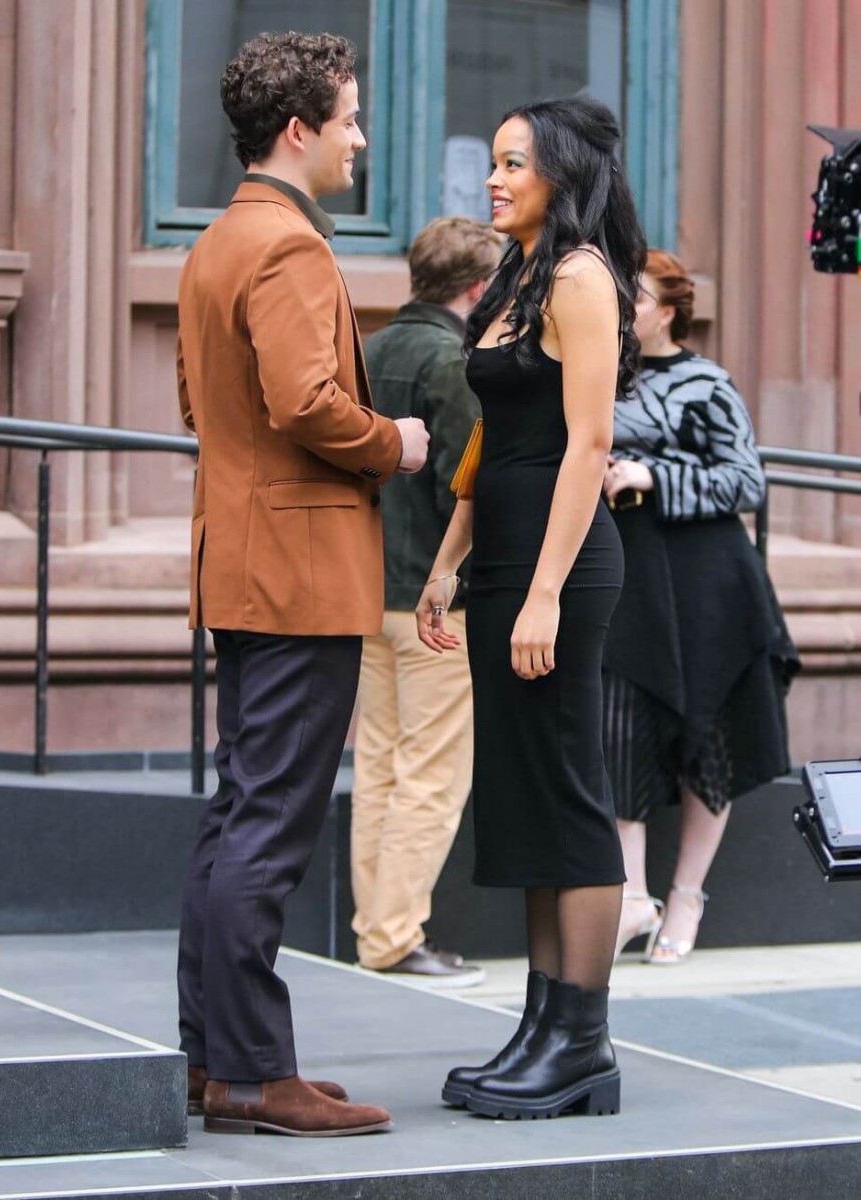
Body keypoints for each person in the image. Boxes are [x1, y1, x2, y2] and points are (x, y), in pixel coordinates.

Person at [175, 31, 429, 1138]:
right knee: (269, 822)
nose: (361, 138)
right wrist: (398, 443)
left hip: (246, 562)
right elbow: (304, 403)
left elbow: (206, 409)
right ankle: (244, 1072)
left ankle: (227, 1062)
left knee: (241, 815)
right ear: (300, 128)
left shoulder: (217, 242)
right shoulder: (286, 248)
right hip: (298, 572)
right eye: (353, 117)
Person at [416, 97, 646, 1119]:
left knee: (569, 792)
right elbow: (488, 442)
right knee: (526, 799)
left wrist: (545, 591)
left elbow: (586, 448)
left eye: (515, 163)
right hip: (504, 563)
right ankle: (544, 1023)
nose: (494, 177)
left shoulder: (584, 277)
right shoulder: (515, 281)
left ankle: (584, 1042)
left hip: (562, 570)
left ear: (561, 171)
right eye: (494, 161)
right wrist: (447, 561)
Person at [603, 249, 799, 963]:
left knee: (707, 739)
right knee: (618, 728)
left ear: (670, 309)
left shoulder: (707, 383)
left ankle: (686, 894)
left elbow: (745, 480)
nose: (624, 308)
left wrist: (652, 474)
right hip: (629, 583)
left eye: (638, 297)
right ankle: (630, 897)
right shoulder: (599, 375)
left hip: (708, 584)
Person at [351, 217, 502, 988]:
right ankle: (393, 935)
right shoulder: (456, 363)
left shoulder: (368, 350)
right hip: (437, 602)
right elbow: (469, 487)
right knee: (432, 775)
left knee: (379, 764)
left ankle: (377, 932)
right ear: (478, 289)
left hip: (369, 590)